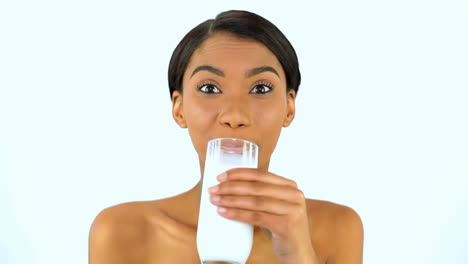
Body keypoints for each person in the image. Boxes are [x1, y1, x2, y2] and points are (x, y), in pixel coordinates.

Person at [89, 10, 363, 264]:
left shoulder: (336, 229)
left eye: (261, 88)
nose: (235, 115)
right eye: (209, 87)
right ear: (179, 108)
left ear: (289, 108)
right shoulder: (122, 231)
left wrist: (298, 254)